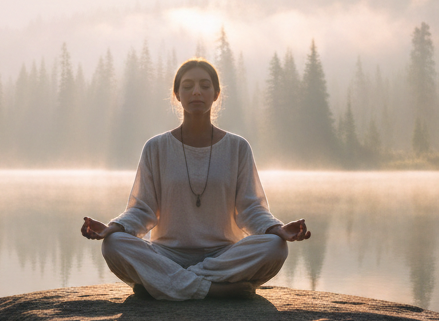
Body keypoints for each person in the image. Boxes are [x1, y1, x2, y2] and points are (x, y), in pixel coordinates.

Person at [80, 58, 310, 301]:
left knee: (275, 246)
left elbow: (251, 208)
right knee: (113, 244)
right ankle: (212, 289)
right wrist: (112, 228)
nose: (196, 92)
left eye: (205, 85)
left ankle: (167, 283)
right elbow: (142, 209)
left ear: (216, 94)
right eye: (188, 86)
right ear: (177, 95)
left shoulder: (237, 147)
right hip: (167, 254)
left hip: (223, 256)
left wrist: (278, 229)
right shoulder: (156, 148)